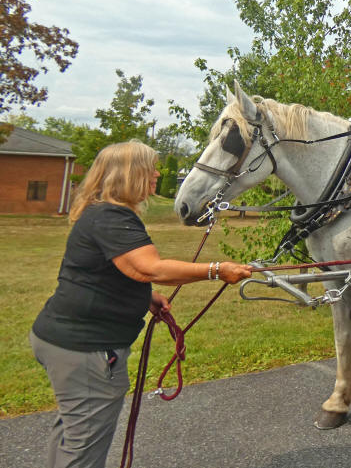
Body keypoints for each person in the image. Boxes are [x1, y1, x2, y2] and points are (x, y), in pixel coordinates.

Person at [29, 140, 253, 468]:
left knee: (72, 435)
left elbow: (107, 270)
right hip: (86, 350)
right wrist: (217, 270)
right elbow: (151, 268)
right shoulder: (112, 217)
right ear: (129, 174)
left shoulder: (101, 214)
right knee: (83, 449)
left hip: (66, 342)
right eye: (150, 168)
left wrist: (145, 296)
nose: (157, 174)